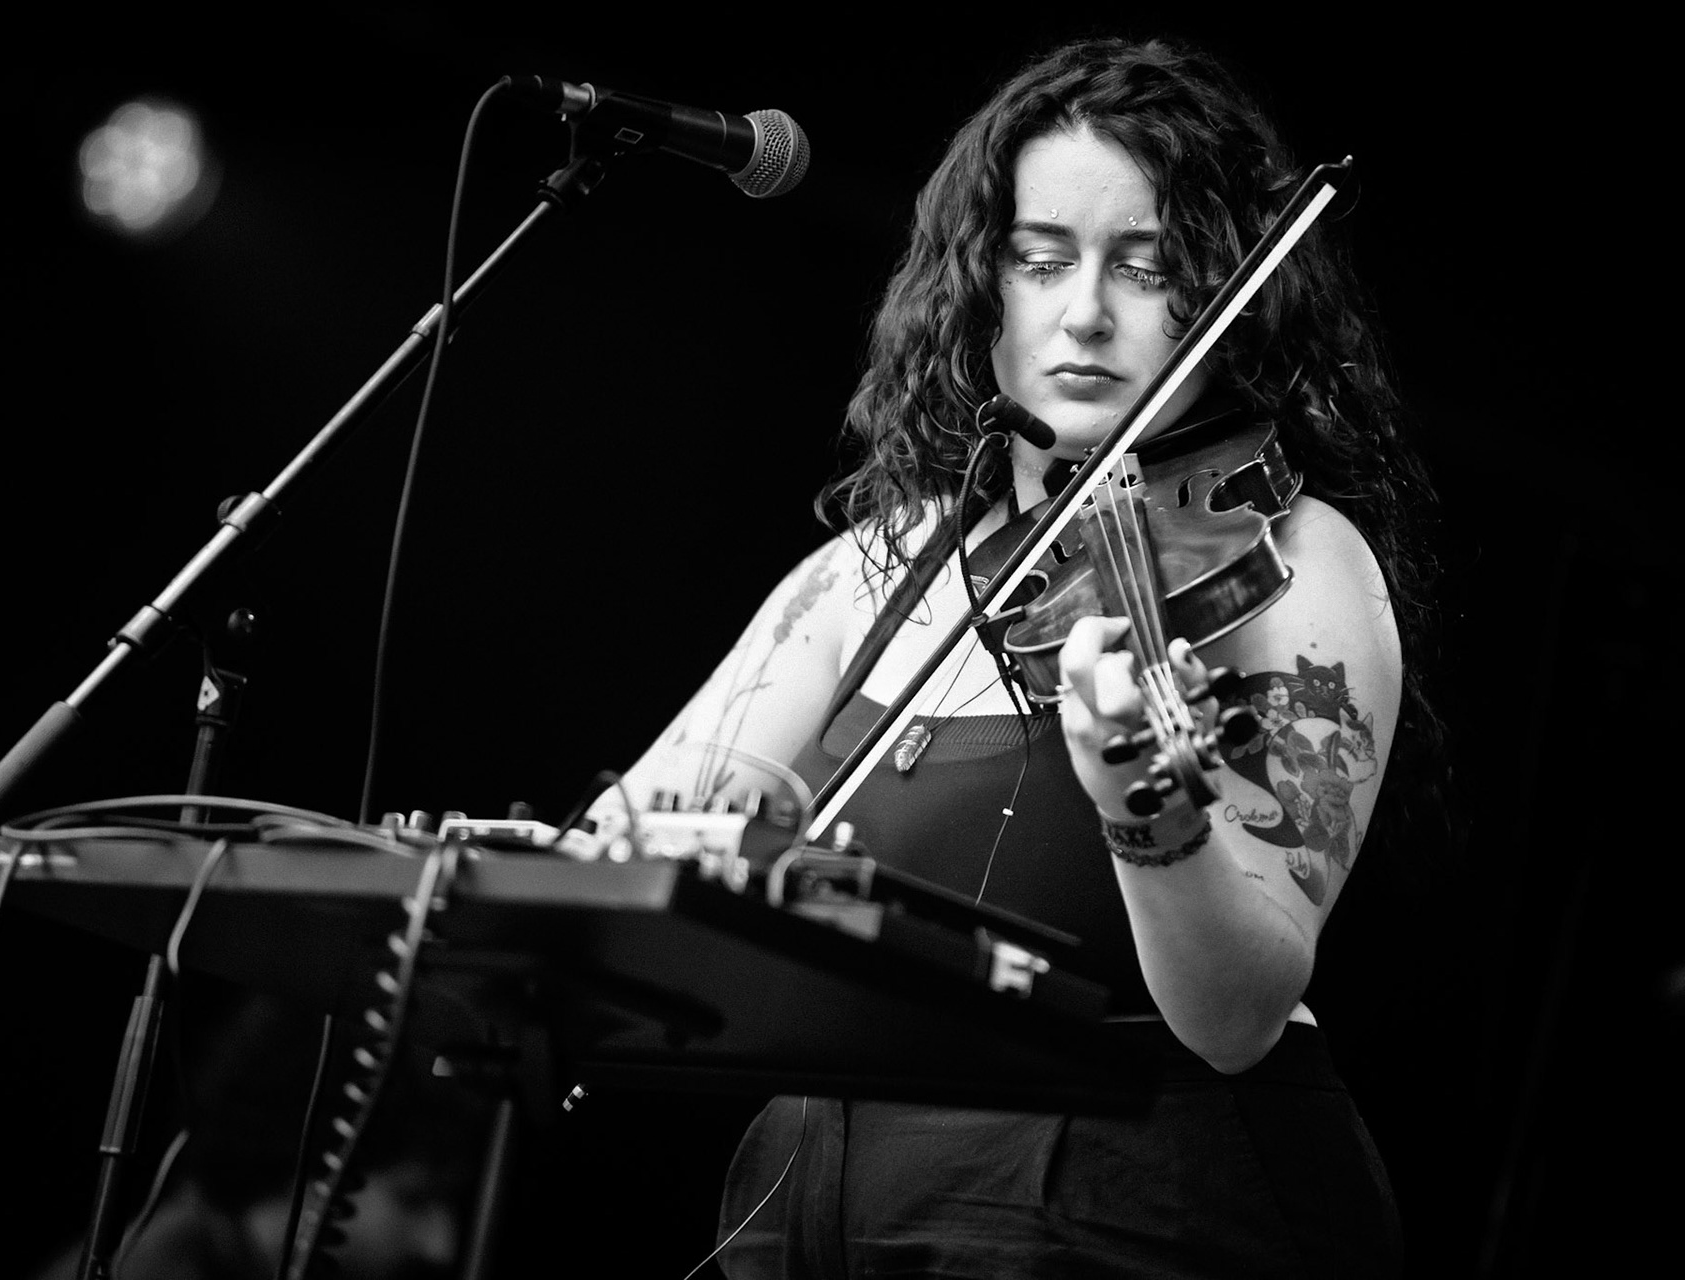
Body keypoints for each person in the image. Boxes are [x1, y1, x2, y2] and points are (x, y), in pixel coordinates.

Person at [585, 34, 1445, 1279]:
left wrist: (1147, 799)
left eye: (1146, 270)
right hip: (817, 1208)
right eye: (1042, 261)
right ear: (983, 283)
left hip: (1142, 1210)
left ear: (1221, 292)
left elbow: (1240, 1006)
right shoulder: (882, 566)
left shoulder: (1296, 558)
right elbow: (647, 826)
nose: (1085, 310)